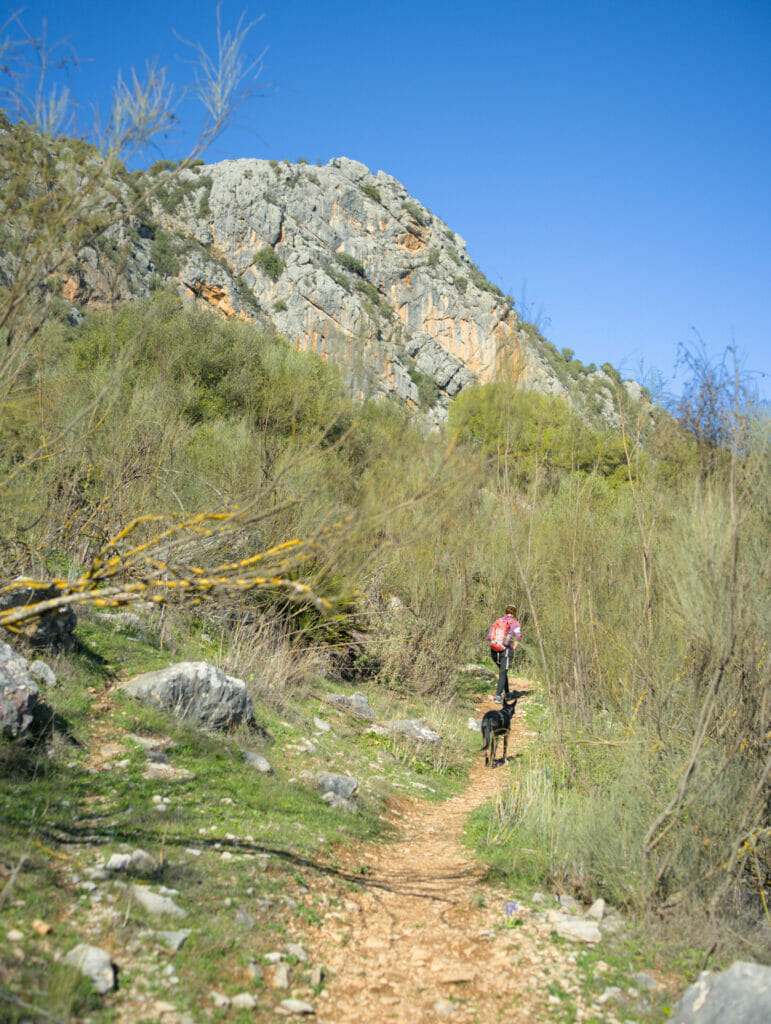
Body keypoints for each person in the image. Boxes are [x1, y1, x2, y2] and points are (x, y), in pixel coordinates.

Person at [487, 605, 521, 703]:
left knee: (503, 672)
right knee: (503, 673)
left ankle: (507, 692)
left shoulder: (497, 621)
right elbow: (518, 636)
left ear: (505, 611)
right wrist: (514, 646)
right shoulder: (515, 623)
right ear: (514, 613)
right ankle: (498, 696)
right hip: (506, 650)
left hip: (494, 650)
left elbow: (489, 637)